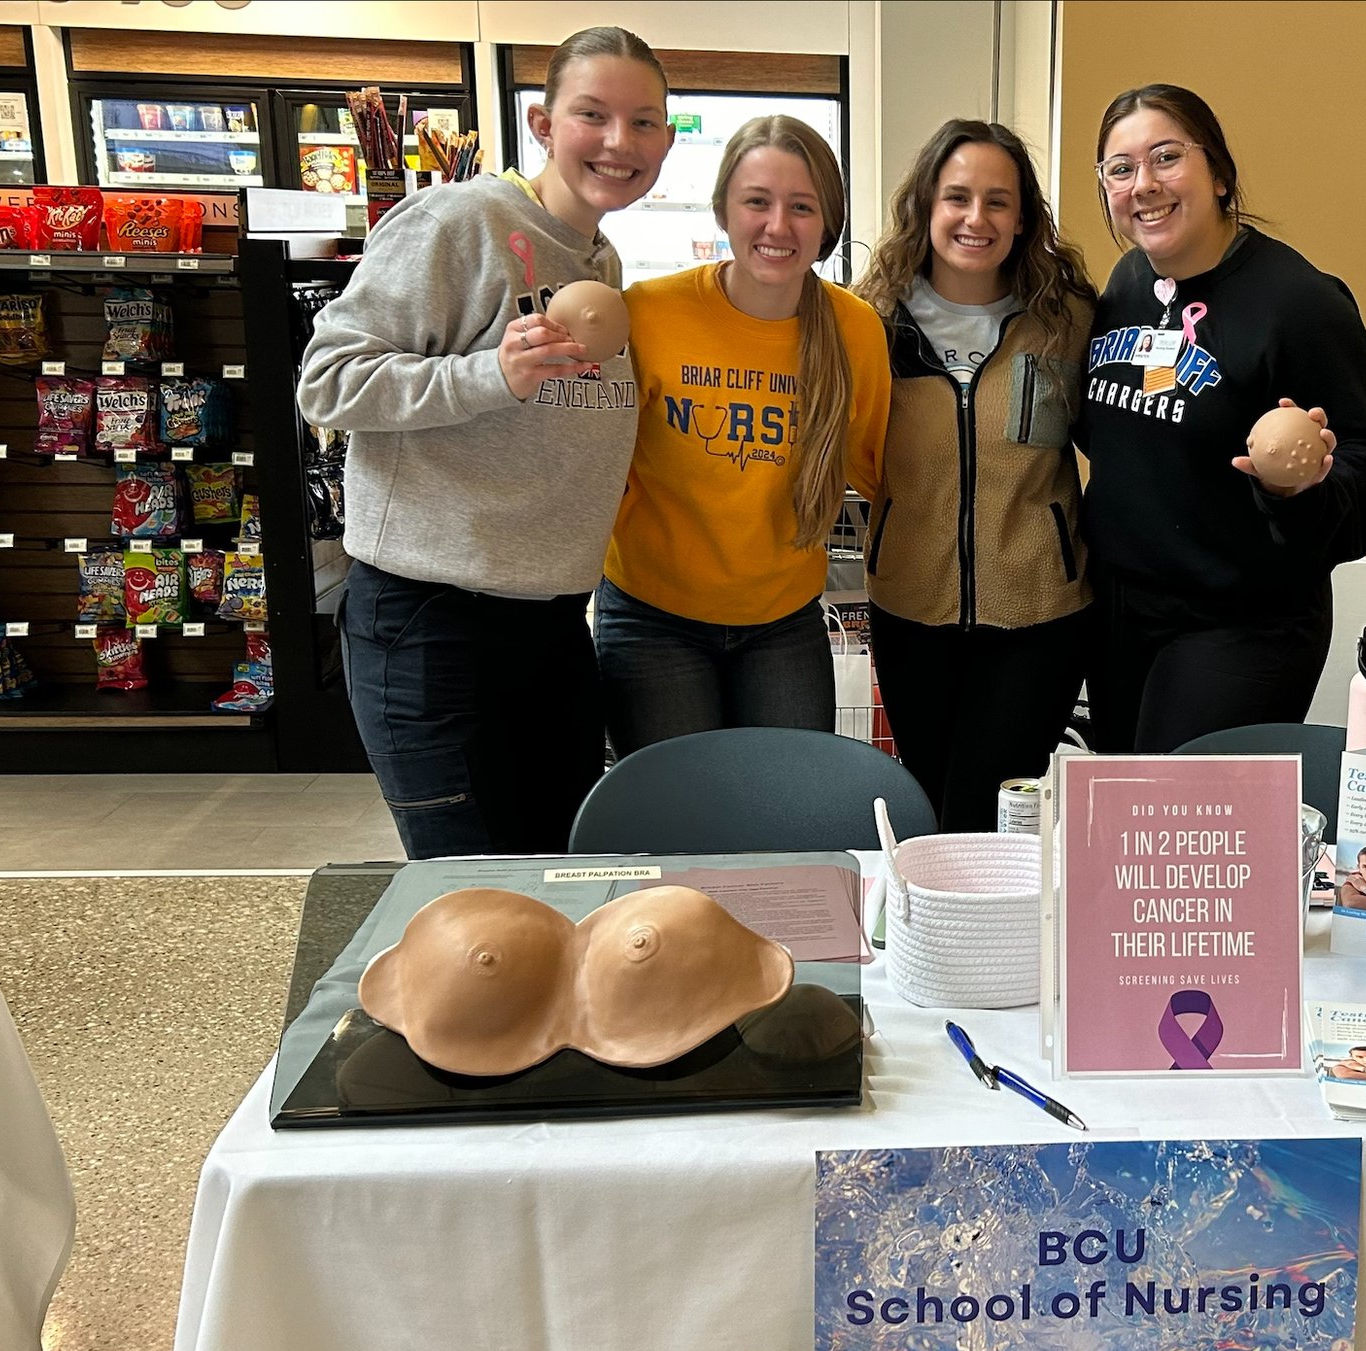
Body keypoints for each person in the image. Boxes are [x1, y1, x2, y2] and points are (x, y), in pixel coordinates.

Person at [295, 26, 666, 858]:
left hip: (554, 621)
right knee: (472, 900)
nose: (620, 142)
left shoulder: (598, 261)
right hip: (432, 623)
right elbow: (327, 380)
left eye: (644, 122)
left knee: (553, 878)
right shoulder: (457, 221)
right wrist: (487, 375)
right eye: (593, 115)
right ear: (542, 124)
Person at [1079, 84, 1366, 753]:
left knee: (1172, 830)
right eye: (1120, 168)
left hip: (1242, 622)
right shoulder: (1128, 283)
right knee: (1120, 823)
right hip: (1122, 611)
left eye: (1166, 158)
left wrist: (1299, 488)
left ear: (1220, 175)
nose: (1143, 184)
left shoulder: (1299, 303)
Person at [596, 115, 893, 755]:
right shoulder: (648, 313)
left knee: (785, 825)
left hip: (782, 626)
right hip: (652, 619)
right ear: (724, 211)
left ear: (828, 221)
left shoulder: (855, 331)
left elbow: (881, 471)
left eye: (802, 207)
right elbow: (598, 467)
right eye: (757, 201)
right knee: (676, 833)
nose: (777, 226)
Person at [852, 119, 1098, 830]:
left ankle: (993, 937)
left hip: (1040, 615)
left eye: (998, 199)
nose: (976, 218)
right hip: (910, 611)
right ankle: (941, 937)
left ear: (1023, 218)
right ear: (926, 206)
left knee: (987, 806)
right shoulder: (871, 321)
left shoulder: (1066, 318)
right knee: (928, 796)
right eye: (957, 196)